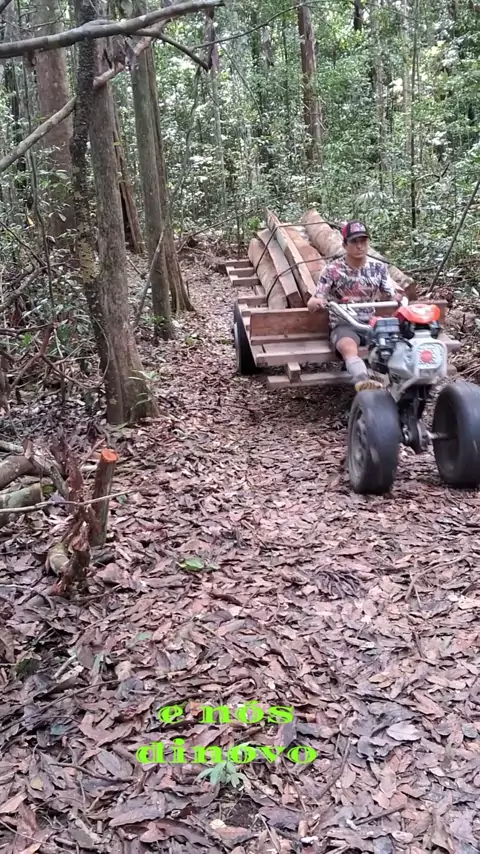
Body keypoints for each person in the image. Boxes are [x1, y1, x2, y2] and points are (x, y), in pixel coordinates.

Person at [307, 220, 405, 392]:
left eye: (363, 241)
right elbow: (317, 298)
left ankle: (399, 385)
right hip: (345, 322)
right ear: (345, 245)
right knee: (348, 347)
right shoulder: (333, 270)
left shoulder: (378, 268)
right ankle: (362, 381)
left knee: (394, 344)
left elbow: (390, 293)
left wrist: (397, 298)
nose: (359, 246)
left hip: (371, 322)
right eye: (354, 242)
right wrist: (316, 302)